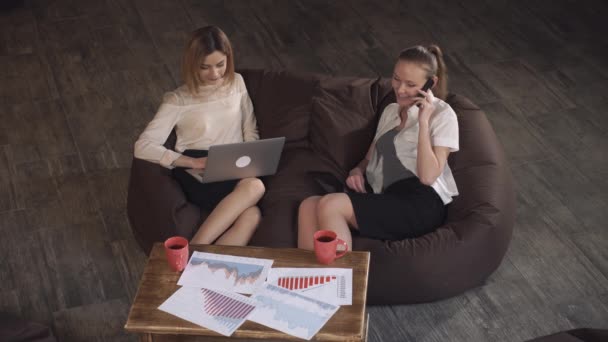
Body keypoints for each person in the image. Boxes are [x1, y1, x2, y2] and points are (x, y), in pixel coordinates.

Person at [298, 45, 459, 250]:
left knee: (332, 205)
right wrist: (357, 170)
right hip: (389, 197)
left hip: (421, 201)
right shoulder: (391, 111)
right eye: (396, 79)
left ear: (431, 83)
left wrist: (424, 122)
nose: (400, 89)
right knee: (309, 205)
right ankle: (305, 276)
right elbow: (368, 158)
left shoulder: (443, 115)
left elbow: (428, 177)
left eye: (410, 84)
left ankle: (343, 279)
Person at [134, 26, 264, 246]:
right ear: (192, 64)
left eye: (220, 65)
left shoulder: (237, 83)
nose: (214, 74)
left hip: (234, 161)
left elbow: (250, 130)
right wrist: (190, 161)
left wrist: (251, 159)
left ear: (228, 59)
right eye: (205, 67)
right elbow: (143, 146)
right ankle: (193, 247)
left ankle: (199, 270)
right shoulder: (177, 100)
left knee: (252, 215)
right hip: (197, 165)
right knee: (255, 187)